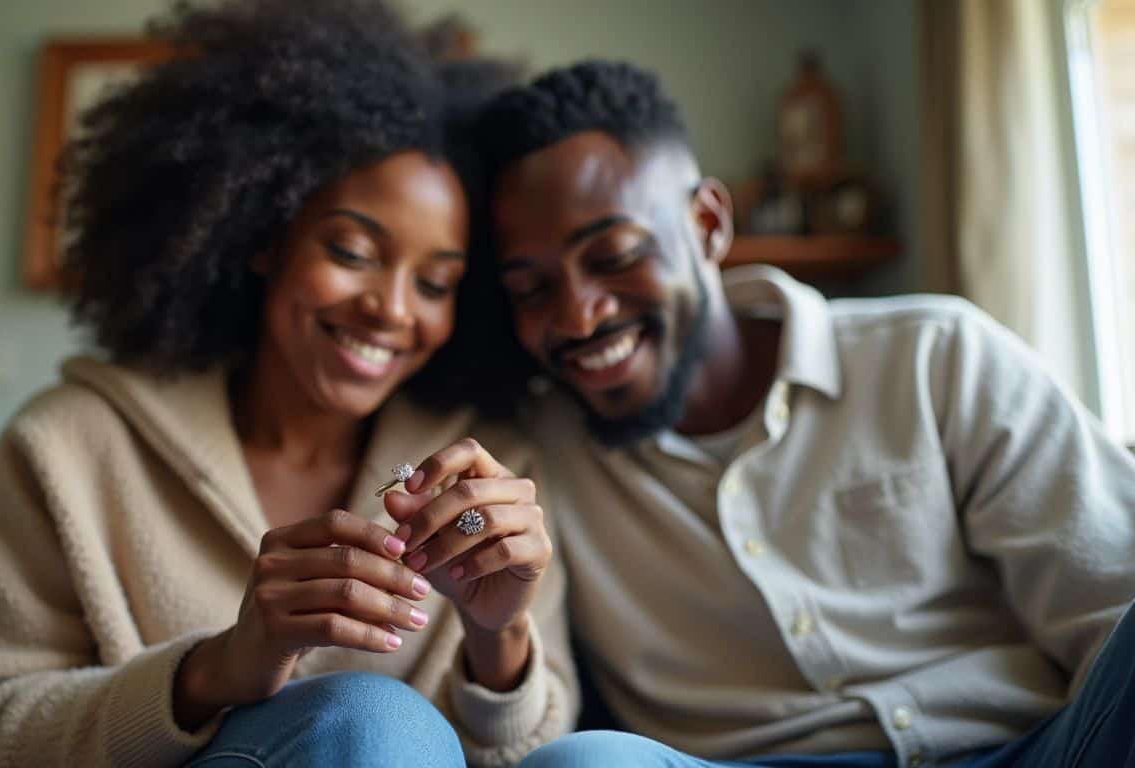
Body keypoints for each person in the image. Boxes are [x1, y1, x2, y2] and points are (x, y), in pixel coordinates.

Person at [0, 3, 577, 766]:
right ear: (264, 236)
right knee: (372, 718)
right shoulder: (67, 447)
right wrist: (218, 669)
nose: (393, 310)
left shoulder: (491, 473)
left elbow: (541, 753)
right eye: (352, 250)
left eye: (435, 283)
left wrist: (499, 636)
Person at [470, 60, 1135, 768]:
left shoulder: (936, 358)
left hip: (1027, 750)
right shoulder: (535, 452)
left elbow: (1109, 604)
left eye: (614, 256)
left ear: (707, 225)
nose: (577, 315)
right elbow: (521, 741)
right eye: (532, 289)